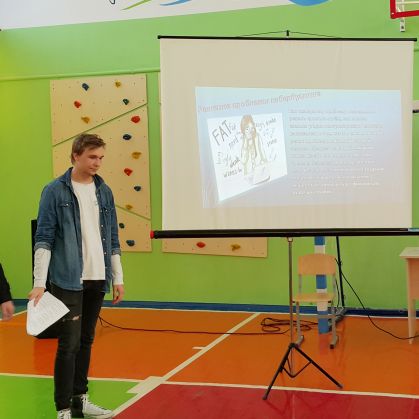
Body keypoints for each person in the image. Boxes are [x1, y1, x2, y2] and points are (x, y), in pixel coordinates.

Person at [29, 133, 124, 419]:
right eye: (92, 157)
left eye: (101, 157)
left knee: (85, 341)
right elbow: (44, 238)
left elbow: (113, 237)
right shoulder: (54, 191)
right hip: (68, 279)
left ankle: (81, 400)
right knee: (68, 345)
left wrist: (117, 277)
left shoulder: (104, 191)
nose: (97, 163)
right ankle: (63, 408)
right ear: (75, 156)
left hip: (98, 277)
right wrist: (39, 283)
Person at [240, 114, 269, 184]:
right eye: (247, 129)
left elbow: (262, 152)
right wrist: (245, 145)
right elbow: (243, 161)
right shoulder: (243, 141)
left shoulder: (257, 137)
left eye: (251, 128)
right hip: (249, 175)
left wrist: (265, 163)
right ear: (243, 130)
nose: (250, 131)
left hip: (259, 172)